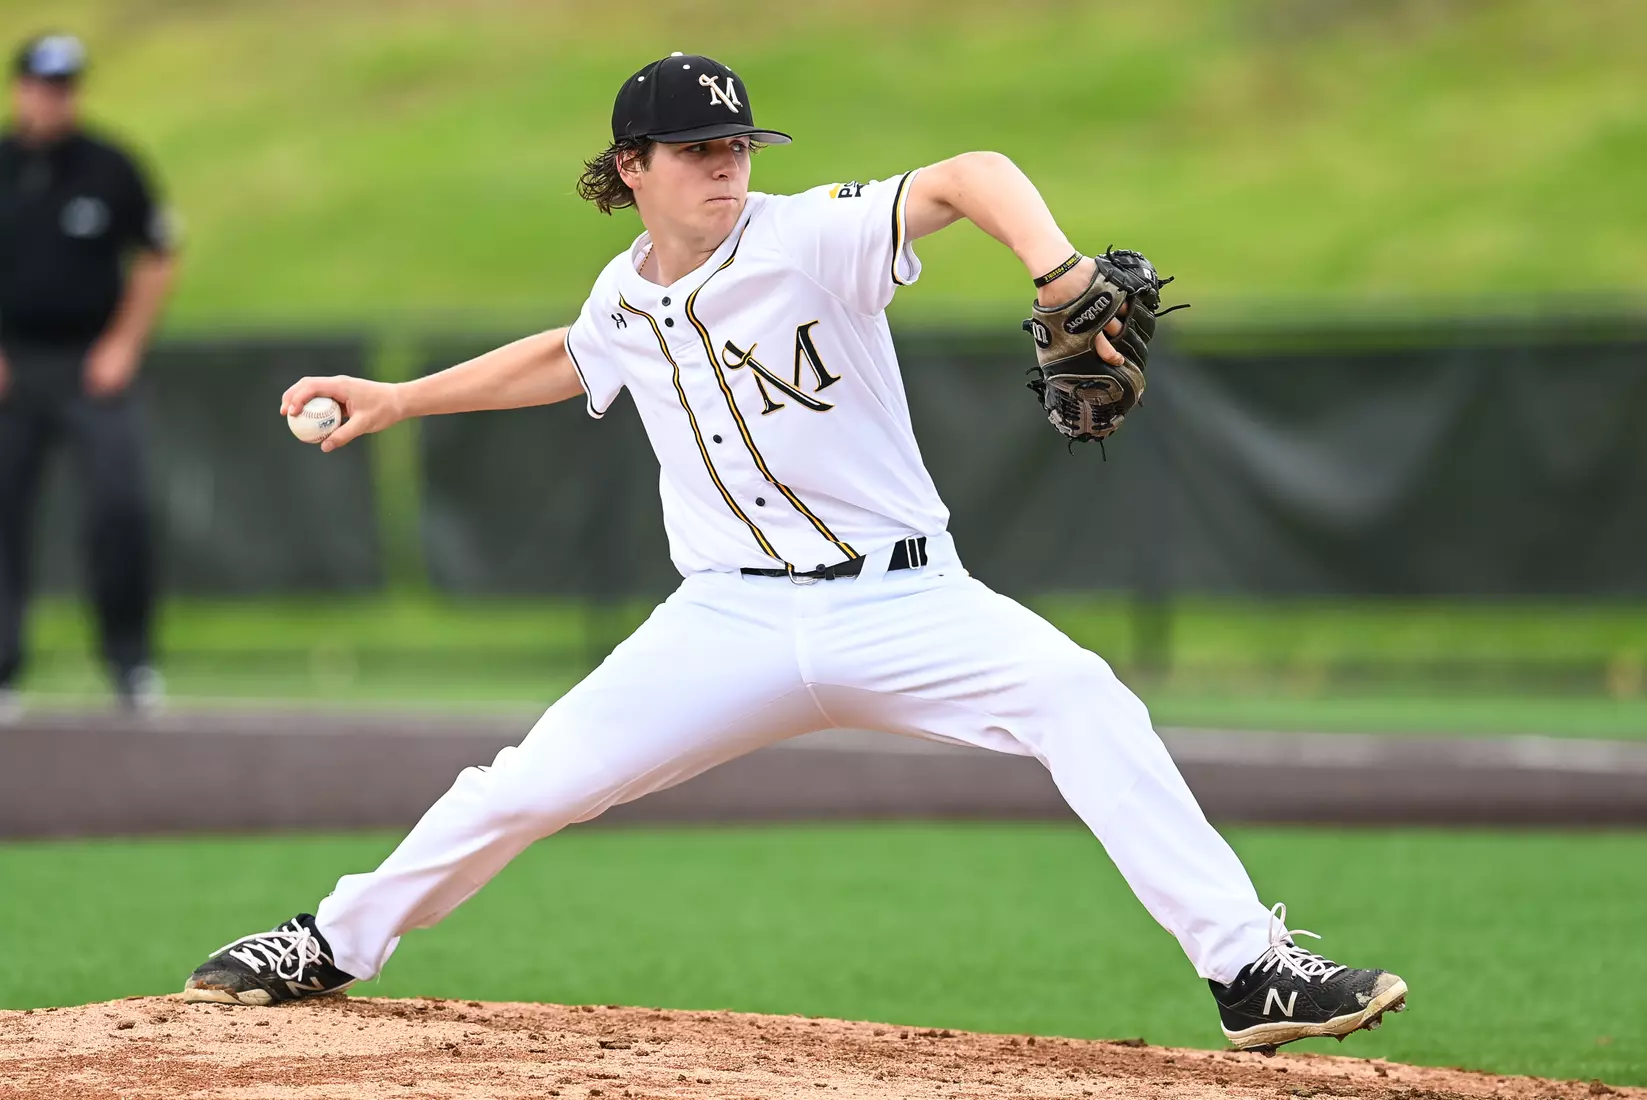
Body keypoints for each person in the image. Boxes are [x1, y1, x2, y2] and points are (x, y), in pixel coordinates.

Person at [182, 53, 1405, 1053]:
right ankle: (336, 940)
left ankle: (1248, 967)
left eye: (737, 148)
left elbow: (974, 173)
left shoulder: (813, 236)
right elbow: (572, 353)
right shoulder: (626, 295)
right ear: (633, 169)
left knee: (1081, 697)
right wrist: (399, 399)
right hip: (727, 623)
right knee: (526, 783)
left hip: (909, 598)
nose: (726, 166)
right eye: (699, 151)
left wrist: (1060, 269)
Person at [0, 33, 177, 719]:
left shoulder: (109, 165)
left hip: (93, 366)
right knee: (4, 517)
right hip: (13, 368)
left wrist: (124, 344)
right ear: (20, 89)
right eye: (43, 85)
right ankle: (4, 667)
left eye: (65, 86)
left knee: (119, 508)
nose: (54, 98)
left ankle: (130, 663)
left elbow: (159, 254)